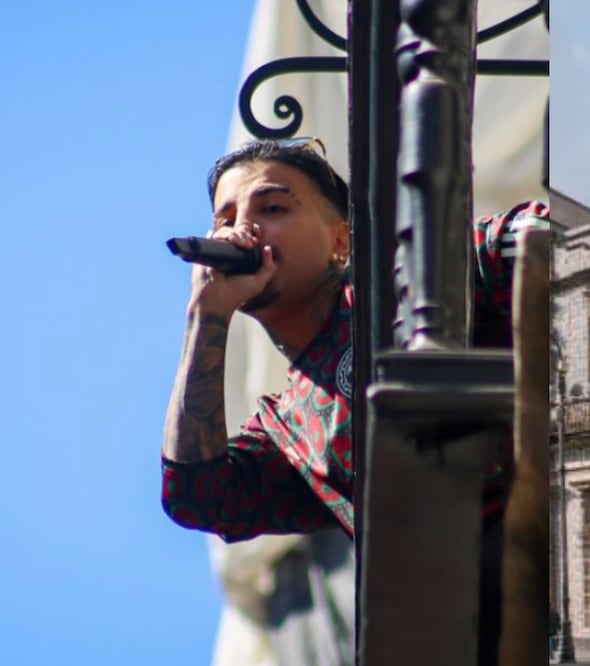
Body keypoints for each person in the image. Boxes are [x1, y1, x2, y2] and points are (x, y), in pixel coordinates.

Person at [159, 139, 550, 664]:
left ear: (341, 240)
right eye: (224, 219)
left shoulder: (412, 279)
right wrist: (205, 315)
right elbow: (196, 495)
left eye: (272, 208)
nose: (242, 229)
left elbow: (528, 237)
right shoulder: (285, 429)